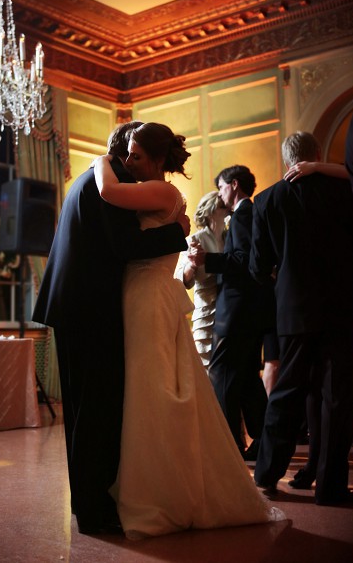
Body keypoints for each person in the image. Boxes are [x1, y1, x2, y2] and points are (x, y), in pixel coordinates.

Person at [92, 122, 283, 538]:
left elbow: (107, 190)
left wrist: (100, 158)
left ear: (158, 161)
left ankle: (162, 493)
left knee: (153, 389)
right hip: (145, 294)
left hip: (149, 297)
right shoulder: (160, 196)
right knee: (156, 388)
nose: (126, 162)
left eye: (136, 156)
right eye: (125, 155)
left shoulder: (162, 191)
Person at [33, 121, 190, 535]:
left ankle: (86, 501)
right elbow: (125, 247)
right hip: (89, 308)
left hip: (72, 305)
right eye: (132, 156)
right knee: (95, 411)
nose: (133, 164)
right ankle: (94, 510)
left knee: (82, 411)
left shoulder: (89, 178)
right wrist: (178, 233)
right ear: (125, 154)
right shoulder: (110, 182)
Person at [250, 132, 353, 506]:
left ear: (286, 162)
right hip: (341, 306)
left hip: (294, 309)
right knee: (336, 398)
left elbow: (257, 267)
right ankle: (329, 488)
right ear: (316, 155)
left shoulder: (266, 200)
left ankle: (266, 474)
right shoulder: (344, 191)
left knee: (286, 392)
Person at [202, 166, 274, 460]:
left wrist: (206, 259)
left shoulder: (243, 214)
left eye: (220, 187)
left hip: (239, 310)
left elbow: (242, 260)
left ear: (234, 185)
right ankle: (265, 440)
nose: (219, 194)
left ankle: (231, 445)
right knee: (246, 379)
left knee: (222, 374)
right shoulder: (249, 212)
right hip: (251, 310)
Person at [177, 191, 229, 369]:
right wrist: (192, 264)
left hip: (229, 312)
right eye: (223, 207)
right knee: (206, 368)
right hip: (206, 312)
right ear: (210, 211)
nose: (228, 210)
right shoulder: (195, 240)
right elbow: (183, 280)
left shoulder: (230, 238)